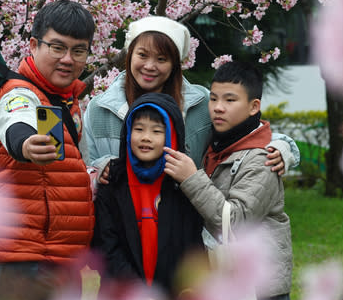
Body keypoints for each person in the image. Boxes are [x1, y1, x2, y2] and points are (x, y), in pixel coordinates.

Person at [164, 60, 300, 300]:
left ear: (254, 107)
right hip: (225, 284)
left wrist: (192, 179)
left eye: (229, 99)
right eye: (213, 99)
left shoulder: (262, 158)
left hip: (260, 288)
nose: (218, 108)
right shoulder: (218, 148)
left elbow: (235, 221)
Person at [0, 0, 96, 300]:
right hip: (24, 260)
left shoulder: (65, 101)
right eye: (57, 47)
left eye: (79, 51)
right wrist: (27, 144)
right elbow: (17, 122)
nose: (68, 59)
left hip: (57, 257)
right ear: (33, 45)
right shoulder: (17, 93)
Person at [81, 15, 299, 183]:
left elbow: (245, 133)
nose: (149, 66)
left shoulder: (200, 103)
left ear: (175, 64)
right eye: (142, 55)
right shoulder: (100, 109)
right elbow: (83, 167)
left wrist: (281, 148)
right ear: (129, 56)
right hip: (123, 226)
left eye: (161, 59)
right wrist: (101, 167)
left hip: (186, 223)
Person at [91, 92, 205, 300]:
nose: (146, 137)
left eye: (157, 130)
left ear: (173, 137)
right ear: (127, 133)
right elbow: (109, 247)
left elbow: (193, 246)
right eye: (139, 128)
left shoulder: (183, 185)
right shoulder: (112, 184)